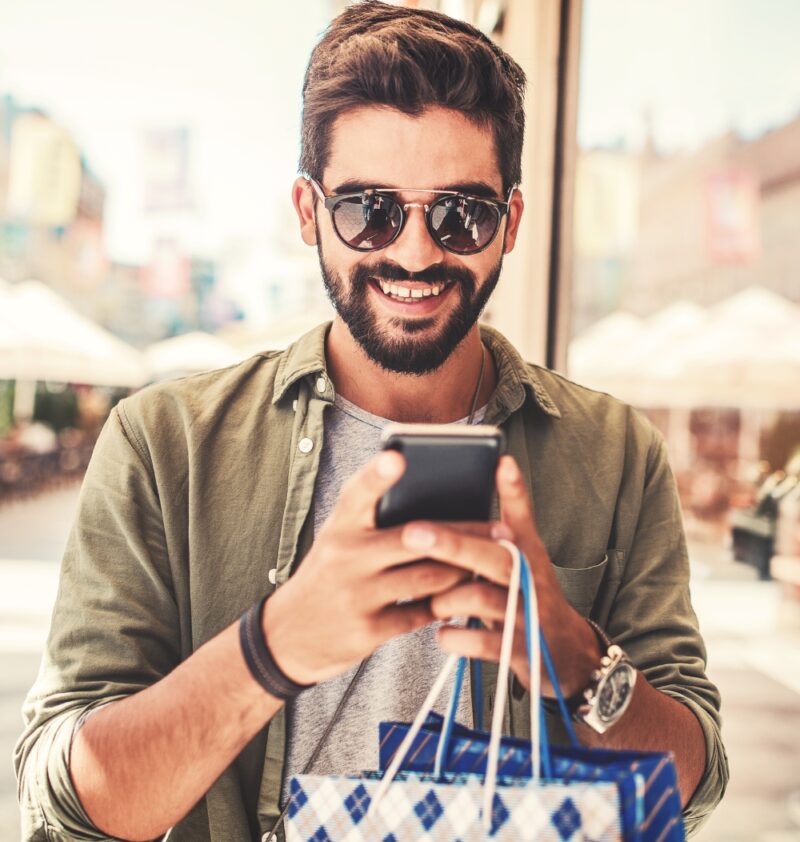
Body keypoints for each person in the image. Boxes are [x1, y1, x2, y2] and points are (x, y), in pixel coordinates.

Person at [15, 3, 728, 840]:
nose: (418, 253)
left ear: (513, 223)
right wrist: (271, 649)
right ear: (310, 212)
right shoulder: (162, 444)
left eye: (462, 213)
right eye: (369, 210)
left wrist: (573, 657)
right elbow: (65, 801)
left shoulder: (615, 455)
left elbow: (693, 779)